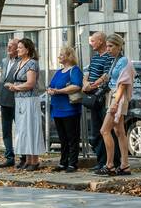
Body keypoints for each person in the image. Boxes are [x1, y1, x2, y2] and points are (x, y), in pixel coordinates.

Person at [81, 31, 119, 172]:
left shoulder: (109, 57)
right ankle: (100, 160)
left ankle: (110, 161)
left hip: (103, 97)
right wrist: (85, 82)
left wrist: (94, 84)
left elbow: (106, 75)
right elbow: (88, 72)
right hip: (93, 96)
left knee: (106, 130)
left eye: (93, 41)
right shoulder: (95, 57)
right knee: (96, 131)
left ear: (101, 41)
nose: (91, 44)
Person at [98, 33, 133, 176]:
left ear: (119, 46)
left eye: (111, 46)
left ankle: (110, 164)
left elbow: (123, 85)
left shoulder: (124, 61)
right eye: (107, 46)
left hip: (117, 97)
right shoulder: (116, 60)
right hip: (114, 95)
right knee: (119, 132)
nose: (108, 49)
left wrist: (115, 103)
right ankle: (125, 165)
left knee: (104, 130)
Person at [7, 37, 44, 171]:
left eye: (20, 47)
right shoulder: (19, 63)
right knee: (23, 129)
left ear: (27, 50)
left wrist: (15, 87)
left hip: (30, 100)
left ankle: (35, 160)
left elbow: (30, 83)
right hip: (20, 100)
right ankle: (27, 160)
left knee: (31, 128)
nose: (18, 49)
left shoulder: (32, 63)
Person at [47, 46, 84, 172]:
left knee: (72, 137)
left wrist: (59, 91)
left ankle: (73, 163)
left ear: (69, 56)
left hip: (70, 109)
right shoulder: (58, 71)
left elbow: (76, 86)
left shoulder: (75, 70)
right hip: (57, 109)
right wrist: (50, 90)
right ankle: (63, 162)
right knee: (62, 138)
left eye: (62, 54)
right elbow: (51, 85)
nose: (59, 56)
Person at [0, 39, 19, 168]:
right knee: (6, 130)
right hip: (4, 99)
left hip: (17, 100)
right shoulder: (4, 61)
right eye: (8, 46)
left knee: (20, 130)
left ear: (17, 48)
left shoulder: (21, 61)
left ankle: (23, 156)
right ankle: (9, 156)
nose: (8, 48)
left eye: (11, 46)